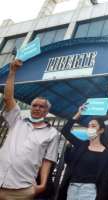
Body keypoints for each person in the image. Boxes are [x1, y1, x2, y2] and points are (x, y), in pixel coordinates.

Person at [0, 59, 60, 200]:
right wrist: (12, 72)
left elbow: (47, 160)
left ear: (47, 111)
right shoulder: (17, 120)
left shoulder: (52, 133)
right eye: (34, 105)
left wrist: (43, 184)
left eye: (41, 106)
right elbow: (8, 98)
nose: (37, 108)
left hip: (21, 189)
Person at [60, 104, 108, 200]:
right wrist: (78, 114)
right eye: (89, 126)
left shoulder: (106, 153)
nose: (90, 128)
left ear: (101, 130)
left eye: (93, 126)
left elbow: (105, 176)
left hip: (90, 190)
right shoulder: (81, 145)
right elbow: (65, 131)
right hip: (73, 187)